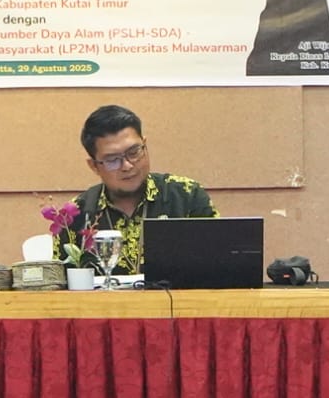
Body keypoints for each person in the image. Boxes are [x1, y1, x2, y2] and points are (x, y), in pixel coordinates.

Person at [63, 104, 216, 274]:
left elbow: (218, 267)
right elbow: (59, 284)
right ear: (94, 166)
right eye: (112, 159)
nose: (127, 166)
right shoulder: (74, 214)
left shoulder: (187, 196)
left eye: (134, 152)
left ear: (145, 145)